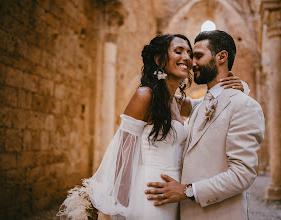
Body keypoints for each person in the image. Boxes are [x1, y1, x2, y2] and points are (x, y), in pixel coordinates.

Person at [57, 33, 246, 220]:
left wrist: (241, 87)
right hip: (148, 192)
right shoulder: (144, 95)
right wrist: (119, 208)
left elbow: (212, 104)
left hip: (173, 195)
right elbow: (123, 154)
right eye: (178, 51)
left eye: (189, 53)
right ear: (159, 59)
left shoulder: (178, 103)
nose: (187, 58)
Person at [145, 30, 265, 220]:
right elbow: (163, 97)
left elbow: (242, 174)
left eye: (198, 56)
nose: (192, 63)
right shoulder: (199, 105)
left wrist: (187, 192)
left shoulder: (245, 105)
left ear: (221, 57)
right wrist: (163, 71)